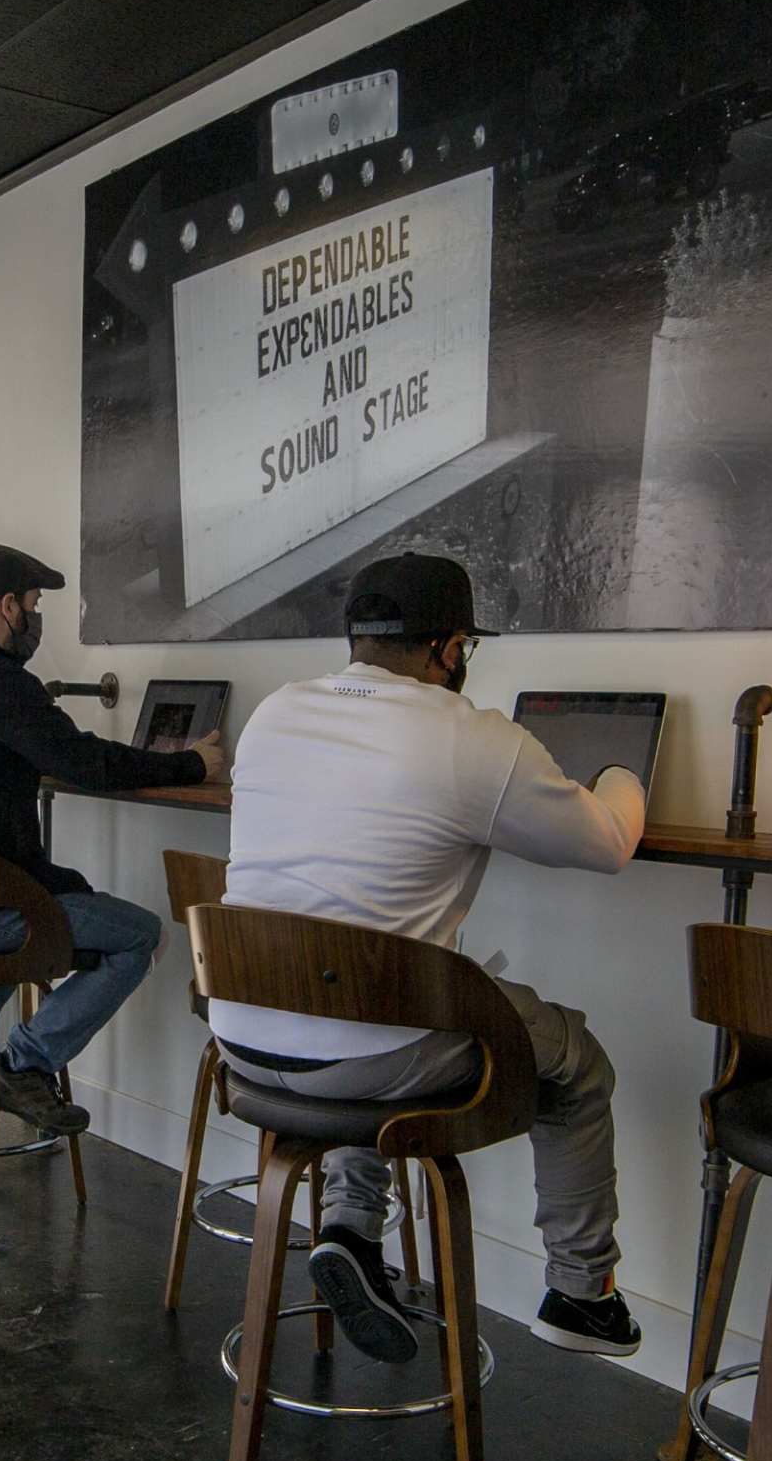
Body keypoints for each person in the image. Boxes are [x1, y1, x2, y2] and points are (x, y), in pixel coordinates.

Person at [211, 553, 648, 1360]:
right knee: (575, 1061)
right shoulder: (470, 737)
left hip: (242, 1046)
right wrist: (622, 774)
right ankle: (584, 1294)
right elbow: (609, 843)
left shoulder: (275, 713)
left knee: (361, 982)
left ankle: (349, 1227)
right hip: (370, 1051)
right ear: (450, 650)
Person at [0, 543, 227, 1142]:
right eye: (35, 605)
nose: (37, 619)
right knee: (136, 934)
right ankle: (24, 1063)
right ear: (10, 605)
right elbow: (85, 763)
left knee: (34, 922)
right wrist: (193, 763)